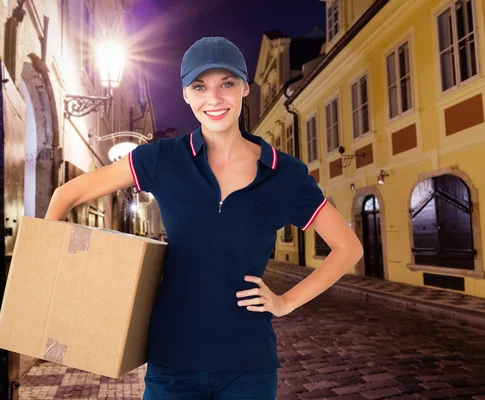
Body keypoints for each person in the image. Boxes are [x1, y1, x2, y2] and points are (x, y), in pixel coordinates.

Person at [45, 36, 363, 399]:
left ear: (245, 87)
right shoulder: (163, 159)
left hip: (249, 367)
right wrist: (49, 284)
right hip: (172, 365)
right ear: (185, 94)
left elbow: (348, 248)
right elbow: (67, 194)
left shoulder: (284, 174)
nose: (214, 98)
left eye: (226, 84)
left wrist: (285, 302)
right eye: (200, 86)